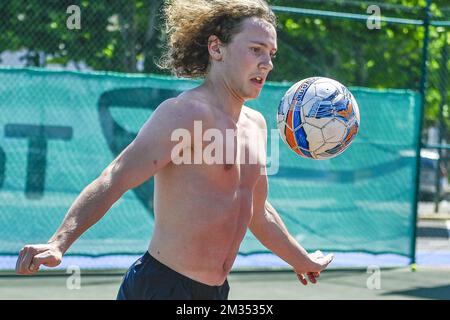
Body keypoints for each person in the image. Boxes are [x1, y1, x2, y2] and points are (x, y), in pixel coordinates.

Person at [15, 0, 333, 300]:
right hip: (162, 287)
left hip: (215, 292)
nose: (268, 63)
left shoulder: (257, 125)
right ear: (216, 48)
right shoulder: (185, 113)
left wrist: (300, 258)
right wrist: (58, 242)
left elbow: (258, 210)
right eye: (256, 50)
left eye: (271, 53)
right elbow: (115, 177)